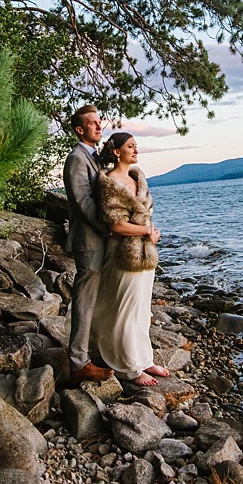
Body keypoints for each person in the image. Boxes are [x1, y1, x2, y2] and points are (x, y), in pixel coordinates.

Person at [92, 132, 170, 387]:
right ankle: (128, 368)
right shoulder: (110, 182)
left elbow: (144, 218)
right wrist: (146, 231)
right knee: (125, 311)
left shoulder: (137, 178)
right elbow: (116, 226)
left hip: (146, 253)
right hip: (124, 254)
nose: (135, 151)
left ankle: (144, 358)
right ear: (117, 152)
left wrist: (152, 234)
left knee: (142, 310)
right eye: (130, 146)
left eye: (136, 146)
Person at [63, 105, 114, 383]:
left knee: (95, 298)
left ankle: (91, 352)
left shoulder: (93, 157)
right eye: (92, 123)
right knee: (84, 299)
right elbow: (83, 203)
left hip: (98, 239)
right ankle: (78, 362)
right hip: (88, 240)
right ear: (79, 130)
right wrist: (111, 229)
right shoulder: (76, 159)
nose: (99, 126)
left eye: (99, 122)